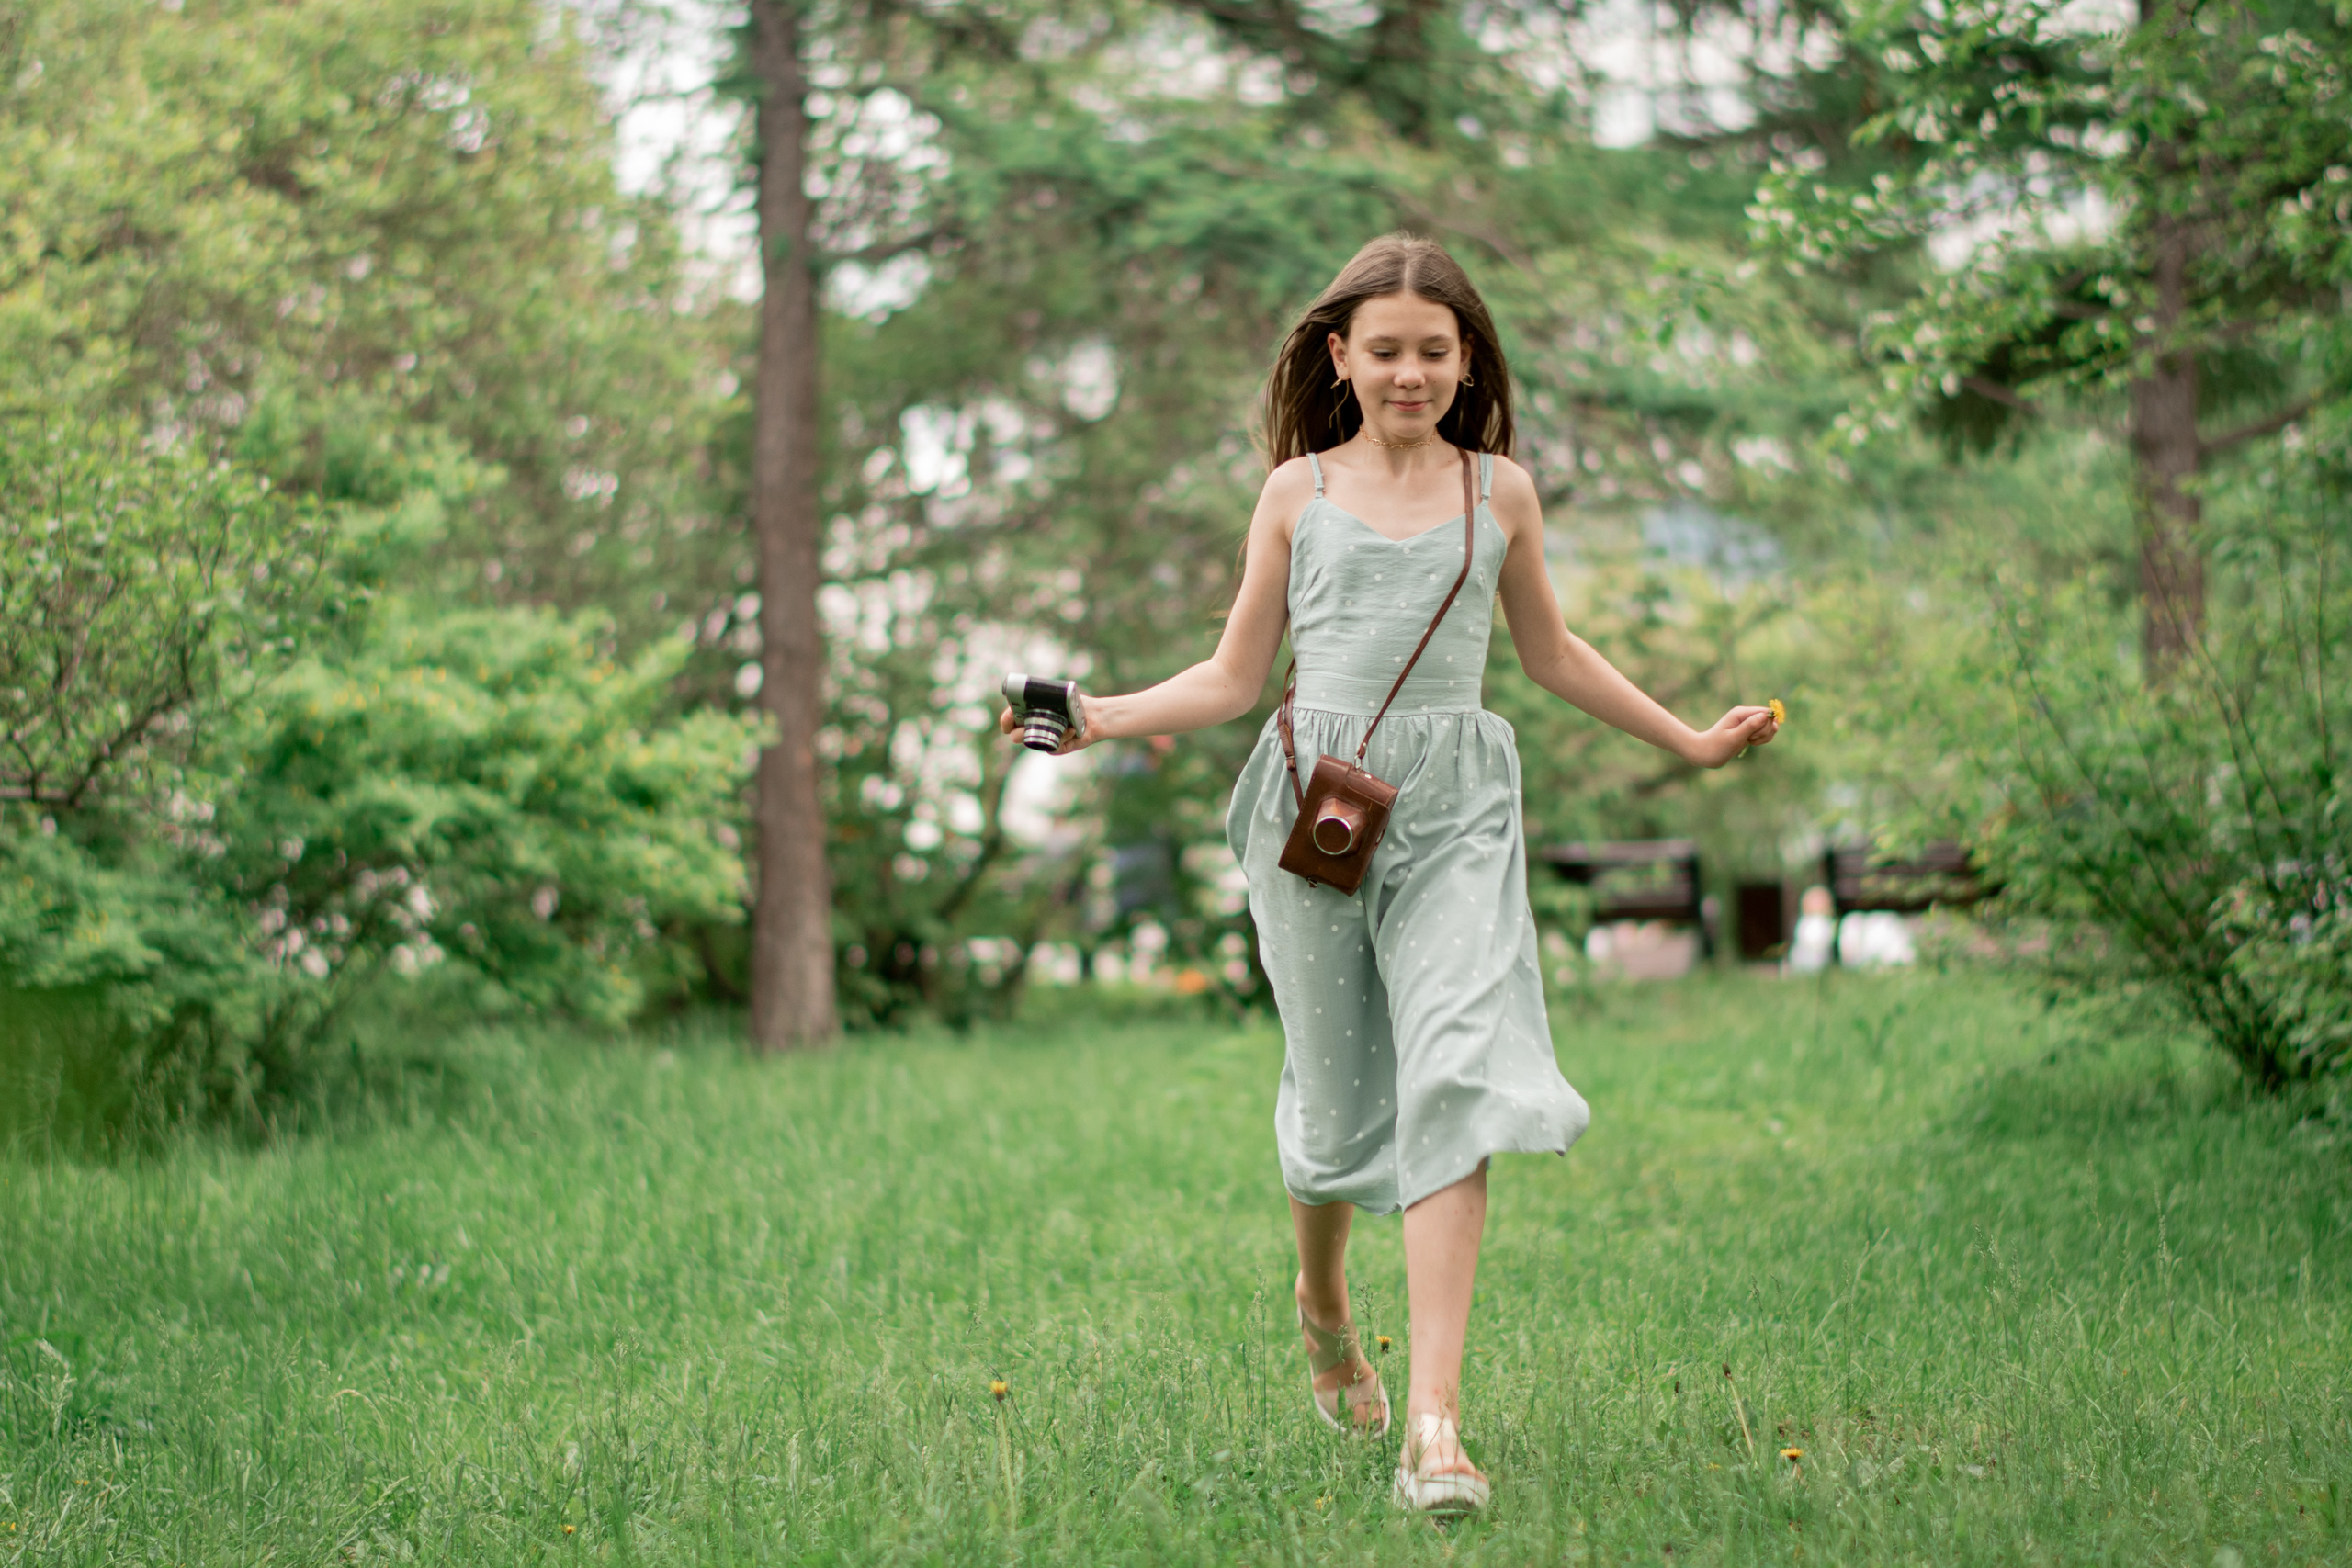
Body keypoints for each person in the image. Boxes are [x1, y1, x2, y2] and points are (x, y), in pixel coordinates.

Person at [999, 233, 1780, 1516]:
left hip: (1458, 809)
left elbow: (1553, 653)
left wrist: (1689, 740)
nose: (1410, 373)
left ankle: (1435, 1427)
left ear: (1468, 362)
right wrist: (1099, 716)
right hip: (1317, 807)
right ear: (1339, 357)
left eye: (1434, 351)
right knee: (1334, 1101)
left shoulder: (1501, 493)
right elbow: (1234, 678)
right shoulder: (1294, 494)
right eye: (1386, 351)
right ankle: (1322, 1304)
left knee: (1454, 1074)